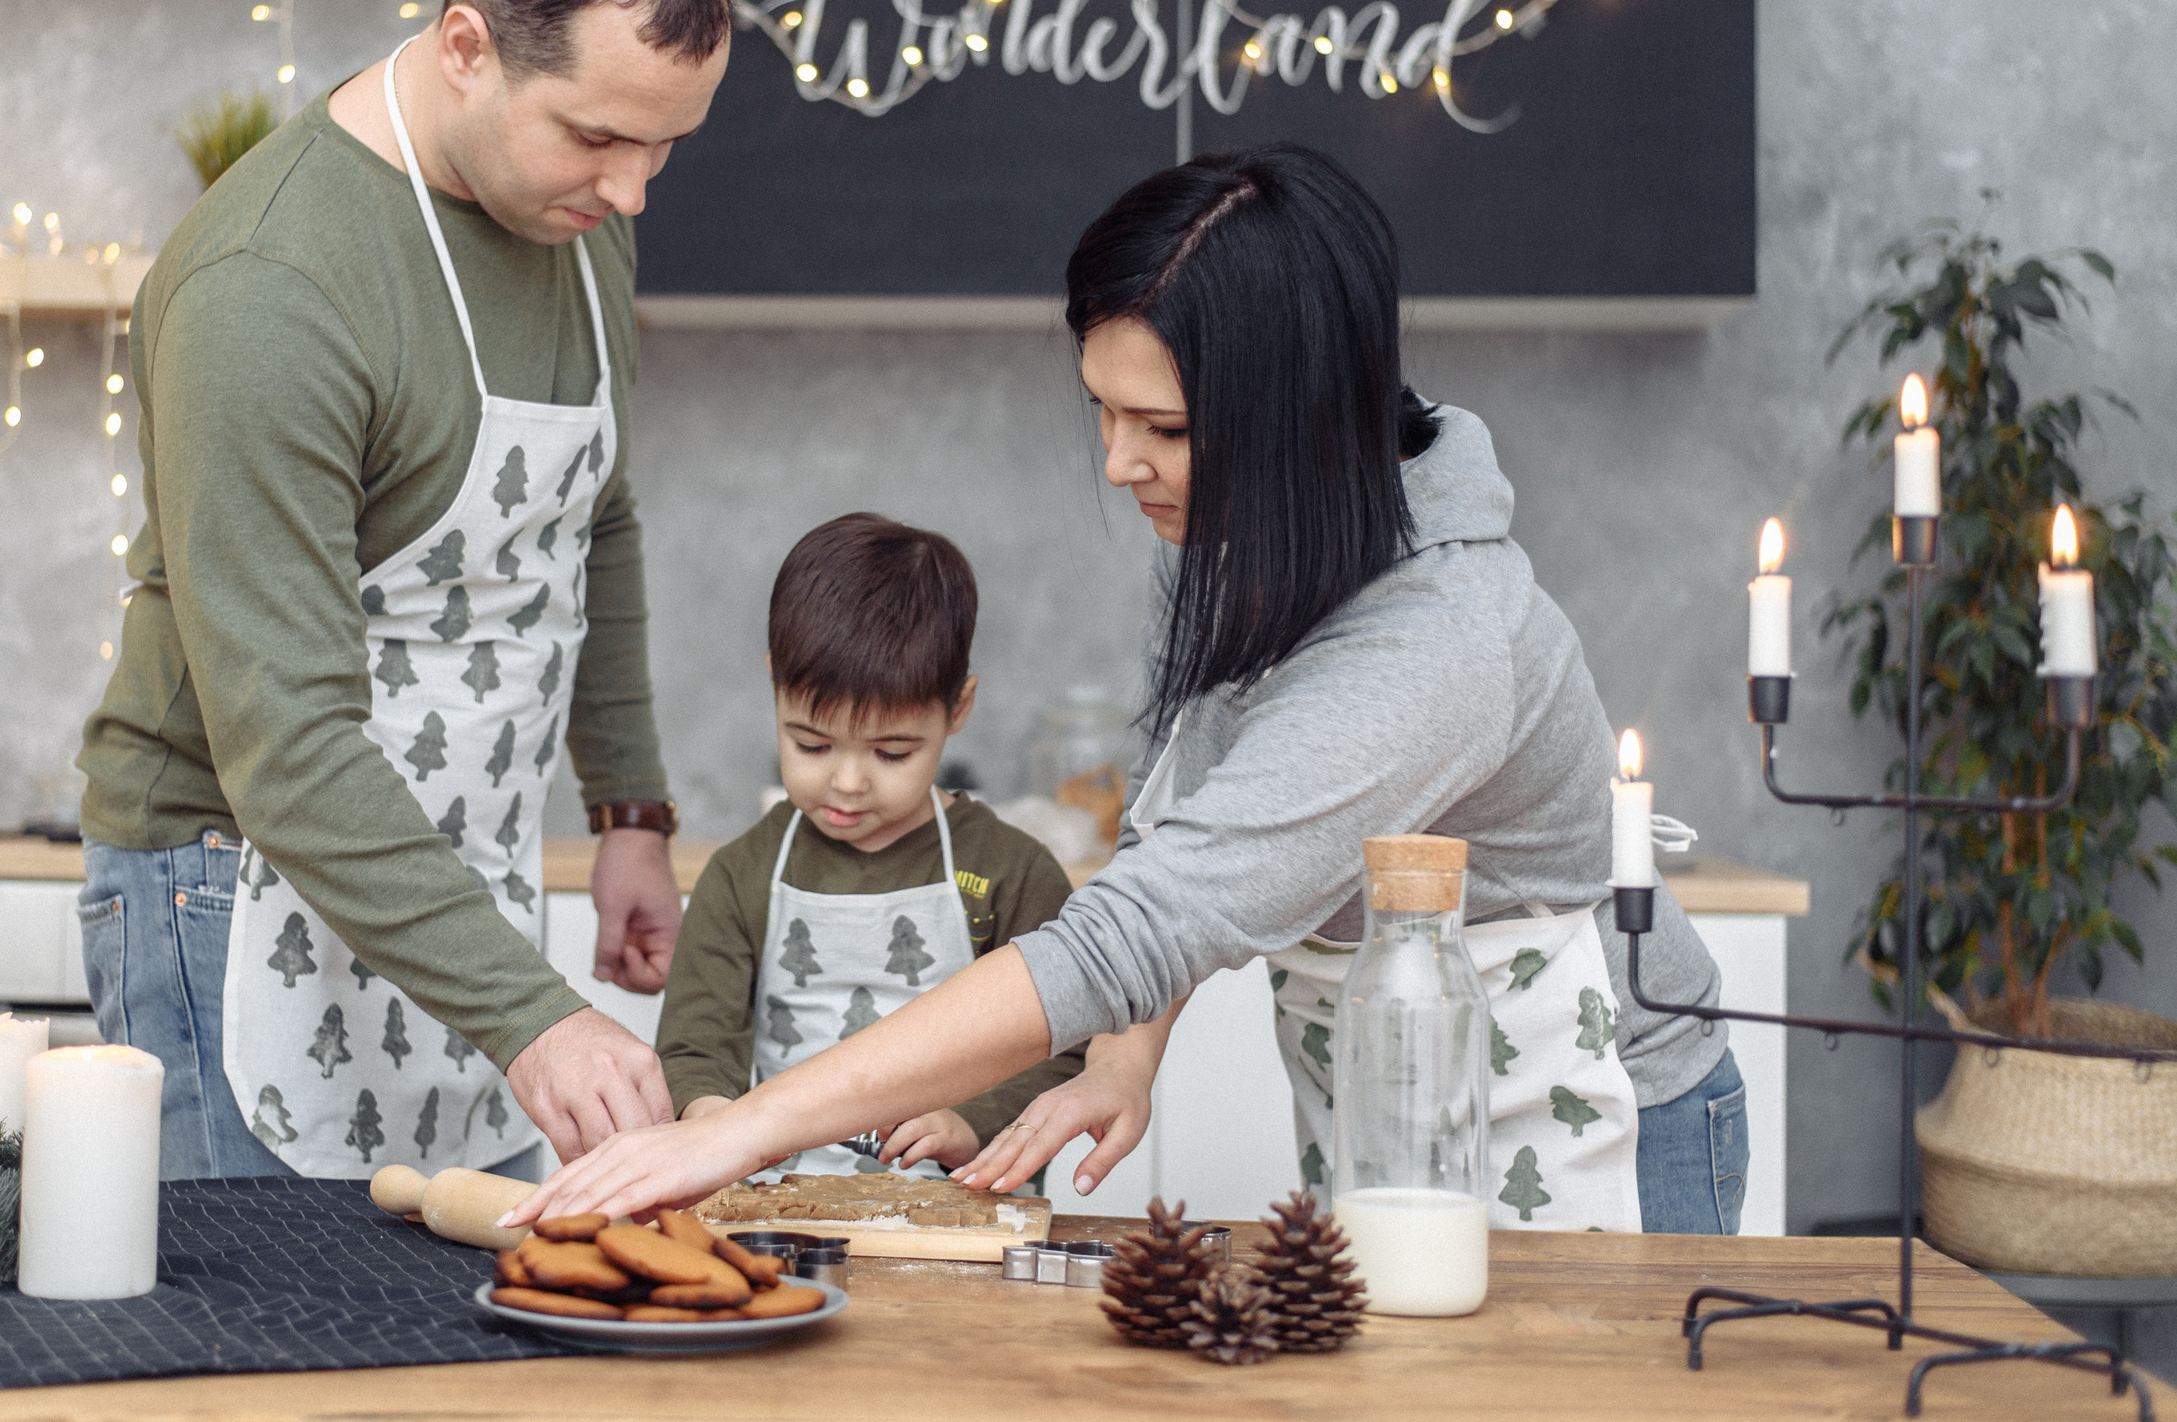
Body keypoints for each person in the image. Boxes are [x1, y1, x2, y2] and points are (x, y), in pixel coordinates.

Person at [506, 143, 1749, 1236]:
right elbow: (1184, 830)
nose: (1117, 463)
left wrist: (738, 1131)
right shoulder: (1265, 535)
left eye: (1159, 426)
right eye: (1103, 412)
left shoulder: (1433, 647)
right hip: (1395, 1095)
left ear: (1288, 417)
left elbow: (1138, 925)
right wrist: (1126, 1055)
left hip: (1593, 1114)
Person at [73, 0, 735, 1182]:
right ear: (466, 48)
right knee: (268, 1382)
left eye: (666, 147)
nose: (630, 192)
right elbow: (290, 744)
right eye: (601, 136)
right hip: (234, 888)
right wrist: (534, 1013)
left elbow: (589, 519)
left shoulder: (576, 214)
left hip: (461, 894)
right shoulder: (270, 289)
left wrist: (630, 819)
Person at [656, 514, 1083, 1177]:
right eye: (811, 744)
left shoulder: (1011, 872)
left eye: (891, 751)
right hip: (782, 1217)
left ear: (958, 708)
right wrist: (713, 1121)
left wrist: (975, 1120)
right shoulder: (742, 874)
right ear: (776, 684)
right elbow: (693, 1047)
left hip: (963, 1229)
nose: (848, 782)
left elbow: (1063, 1045)